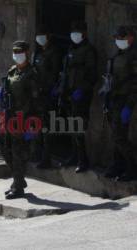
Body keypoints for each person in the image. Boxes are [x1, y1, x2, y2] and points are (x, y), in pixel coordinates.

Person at [0, 41, 39, 199]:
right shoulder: (12, 71)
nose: (17, 55)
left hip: (23, 118)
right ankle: (18, 179)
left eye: (20, 52)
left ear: (26, 53)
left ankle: (18, 186)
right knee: (2, 142)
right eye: (15, 52)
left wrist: (32, 124)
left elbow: (36, 101)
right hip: (9, 115)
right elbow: (8, 89)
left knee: (18, 151)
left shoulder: (32, 74)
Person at [58, 21, 97, 173]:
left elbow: (92, 75)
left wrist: (82, 90)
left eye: (78, 32)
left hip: (81, 95)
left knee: (79, 127)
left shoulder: (89, 51)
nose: (74, 35)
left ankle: (83, 160)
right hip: (69, 93)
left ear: (84, 33)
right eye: (73, 32)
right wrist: (61, 88)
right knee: (70, 126)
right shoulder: (71, 50)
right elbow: (65, 71)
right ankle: (75, 156)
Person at [103, 26, 137, 181]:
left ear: (130, 37)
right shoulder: (119, 54)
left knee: (120, 137)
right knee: (116, 135)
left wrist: (129, 106)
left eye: (120, 38)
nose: (117, 41)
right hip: (114, 99)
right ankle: (118, 165)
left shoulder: (133, 56)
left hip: (124, 100)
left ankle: (132, 168)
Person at [32, 25, 62, 168]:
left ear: (48, 36)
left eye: (42, 35)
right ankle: (37, 153)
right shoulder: (37, 53)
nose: (40, 38)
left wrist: (47, 89)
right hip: (36, 95)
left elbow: (54, 74)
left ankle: (47, 157)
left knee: (46, 127)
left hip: (47, 95)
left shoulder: (54, 53)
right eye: (38, 35)